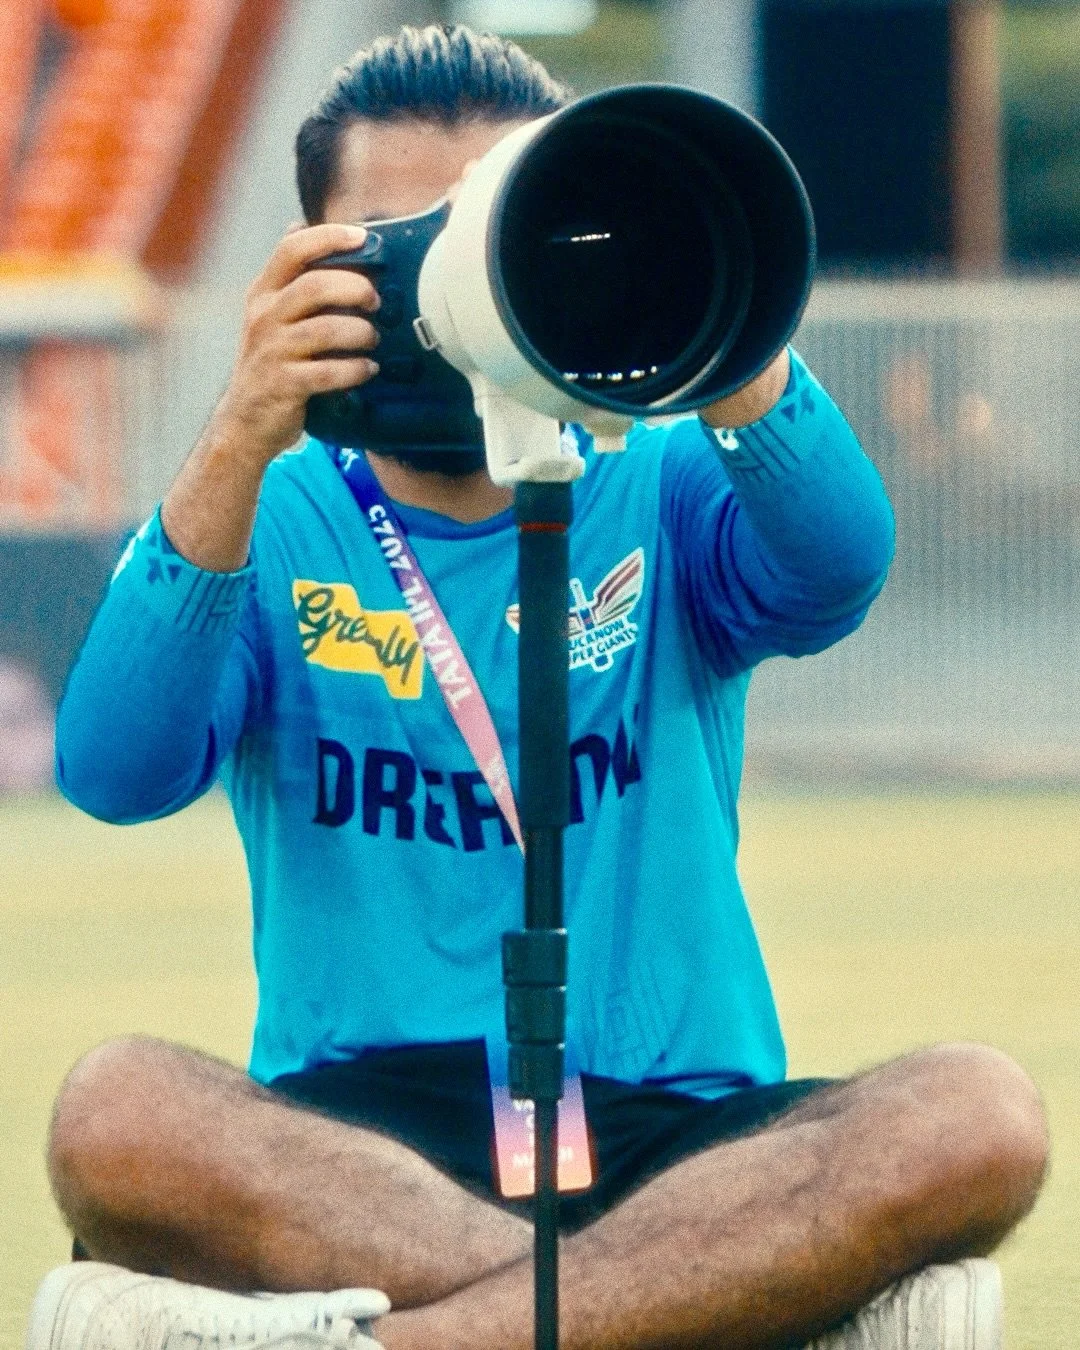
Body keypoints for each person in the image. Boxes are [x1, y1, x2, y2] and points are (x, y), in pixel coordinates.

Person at [28, 24, 1047, 1350]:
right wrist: (235, 429)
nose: (456, 279)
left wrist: (697, 305)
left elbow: (839, 566)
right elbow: (113, 769)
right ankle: (724, 1311)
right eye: (399, 243)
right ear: (304, 267)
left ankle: (397, 1340)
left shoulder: (660, 470)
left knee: (979, 1113)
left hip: (684, 1128)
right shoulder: (267, 515)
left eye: (496, 228)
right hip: (360, 1138)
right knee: (116, 1112)